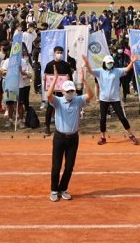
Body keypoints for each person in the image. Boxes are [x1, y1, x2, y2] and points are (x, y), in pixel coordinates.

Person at [48, 72, 94, 202]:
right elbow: (48, 95)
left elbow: (91, 95)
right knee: (56, 166)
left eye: (72, 90)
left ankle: (63, 188)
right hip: (59, 138)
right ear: (63, 91)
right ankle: (54, 190)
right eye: (68, 91)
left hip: (73, 138)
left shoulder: (78, 100)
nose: (70, 93)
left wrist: (84, 81)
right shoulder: (58, 101)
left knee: (69, 166)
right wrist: (55, 79)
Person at [83, 53, 139, 145]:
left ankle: (131, 134)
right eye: (108, 63)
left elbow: (126, 69)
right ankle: (103, 137)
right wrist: (87, 63)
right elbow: (90, 71)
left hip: (115, 98)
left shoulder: (116, 71)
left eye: (111, 63)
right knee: (102, 118)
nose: (110, 64)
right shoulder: (100, 71)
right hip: (103, 99)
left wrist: (132, 62)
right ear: (104, 63)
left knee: (122, 117)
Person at [43, 45, 74, 136]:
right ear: (54, 53)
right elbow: (46, 76)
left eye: (61, 53)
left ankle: (64, 127)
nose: (59, 54)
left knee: (64, 108)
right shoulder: (50, 64)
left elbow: (70, 78)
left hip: (63, 91)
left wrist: (69, 85)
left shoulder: (66, 65)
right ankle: (47, 126)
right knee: (50, 108)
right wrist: (46, 79)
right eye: (57, 52)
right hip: (53, 90)